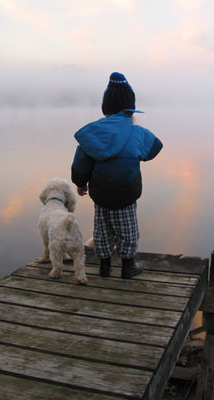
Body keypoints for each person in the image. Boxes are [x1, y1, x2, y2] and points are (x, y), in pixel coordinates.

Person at [71, 72, 163, 278]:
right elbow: (155, 148)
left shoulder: (94, 133)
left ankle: (105, 267)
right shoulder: (138, 132)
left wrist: (80, 183)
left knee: (102, 229)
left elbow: (80, 164)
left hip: (101, 194)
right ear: (130, 107)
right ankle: (127, 266)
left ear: (106, 107)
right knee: (127, 229)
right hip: (126, 192)